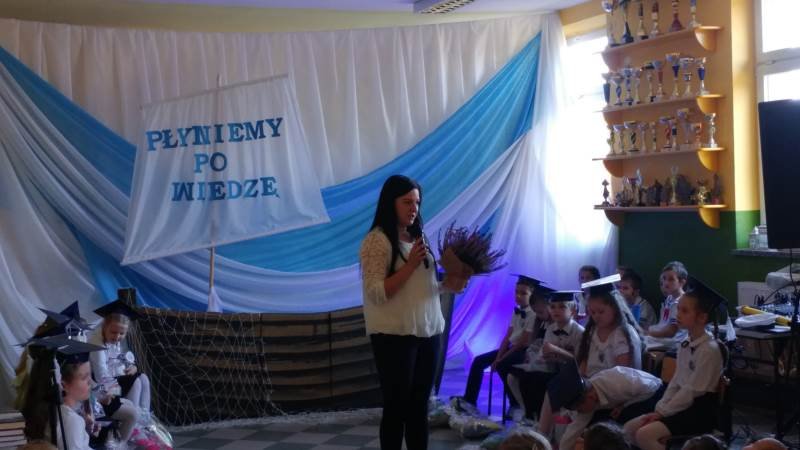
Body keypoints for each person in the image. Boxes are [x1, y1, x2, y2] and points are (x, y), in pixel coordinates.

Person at [360, 175, 457, 450]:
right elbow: (376, 292)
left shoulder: (418, 237)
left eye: (417, 202)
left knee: (419, 408)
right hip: (395, 335)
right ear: (390, 203)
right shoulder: (377, 241)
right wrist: (410, 265)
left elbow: (424, 288)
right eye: (407, 202)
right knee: (396, 407)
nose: (414, 208)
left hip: (428, 332)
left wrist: (451, 283)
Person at [623, 281, 728, 450]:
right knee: (629, 429)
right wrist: (660, 408)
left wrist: (662, 412)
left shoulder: (709, 350)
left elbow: (692, 391)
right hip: (679, 404)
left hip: (698, 411)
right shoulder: (686, 343)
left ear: (702, 317)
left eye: (684, 311)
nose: (678, 314)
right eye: (678, 309)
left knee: (644, 435)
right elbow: (677, 380)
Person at [538, 275, 643, 438]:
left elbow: (623, 373)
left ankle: (561, 439)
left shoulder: (621, 334)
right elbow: (584, 365)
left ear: (615, 308)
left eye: (601, 311)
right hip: (592, 384)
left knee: (574, 404)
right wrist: (577, 382)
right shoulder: (593, 331)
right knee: (554, 390)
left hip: (611, 389)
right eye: (592, 312)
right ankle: (542, 438)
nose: (596, 316)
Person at [460, 274, 549, 410]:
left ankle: (515, 404)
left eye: (523, 293)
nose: (518, 296)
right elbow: (508, 336)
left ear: (532, 295)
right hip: (512, 347)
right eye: (516, 292)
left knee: (503, 365)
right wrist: (498, 356)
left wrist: (501, 359)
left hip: (523, 350)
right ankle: (469, 400)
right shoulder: (517, 310)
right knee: (479, 361)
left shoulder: (533, 313)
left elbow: (523, 342)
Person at [547, 359, 664, 450]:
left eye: (579, 410)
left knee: (624, 431)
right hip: (623, 401)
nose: (579, 413)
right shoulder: (587, 401)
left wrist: (624, 405)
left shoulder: (617, 383)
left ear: (590, 397)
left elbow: (652, 386)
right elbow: (573, 431)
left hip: (652, 393)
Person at [507, 290, 583, 420]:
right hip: (551, 368)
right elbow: (546, 354)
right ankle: (530, 414)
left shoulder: (579, 332)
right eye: (552, 307)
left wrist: (557, 352)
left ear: (572, 310)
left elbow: (578, 360)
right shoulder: (550, 329)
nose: (556, 310)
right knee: (518, 376)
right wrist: (557, 355)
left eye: (562, 307)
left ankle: (540, 417)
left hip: (570, 374)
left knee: (537, 381)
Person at [21, 336, 105, 450]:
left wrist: (84, 432)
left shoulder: (51, 410)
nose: (91, 382)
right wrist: (78, 430)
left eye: (90, 375)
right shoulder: (71, 421)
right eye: (85, 377)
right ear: (63, 384)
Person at [88, 299, 146, 442]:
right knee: (136, 384)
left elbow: (118, 362)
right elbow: (102, 376)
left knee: (141, 378)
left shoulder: (113, 340)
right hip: (99, 389)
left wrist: (132, 367)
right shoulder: (96, 344)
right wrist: (118, 391)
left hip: (111, 382)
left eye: (122, 333)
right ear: (104, 326)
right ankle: (131, 427)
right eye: (114, 332)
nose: (117, 337)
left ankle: (140, 422)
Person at [645, 261, 689, 351]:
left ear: (682, 282)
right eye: (664, 279)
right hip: (664, 339)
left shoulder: (681, 302)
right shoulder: (669, 298)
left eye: (671, 279)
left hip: (673, 342)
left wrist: (648, 333)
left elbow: (671, 332)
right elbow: (663, 324)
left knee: (639, 342)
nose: (666, 283)